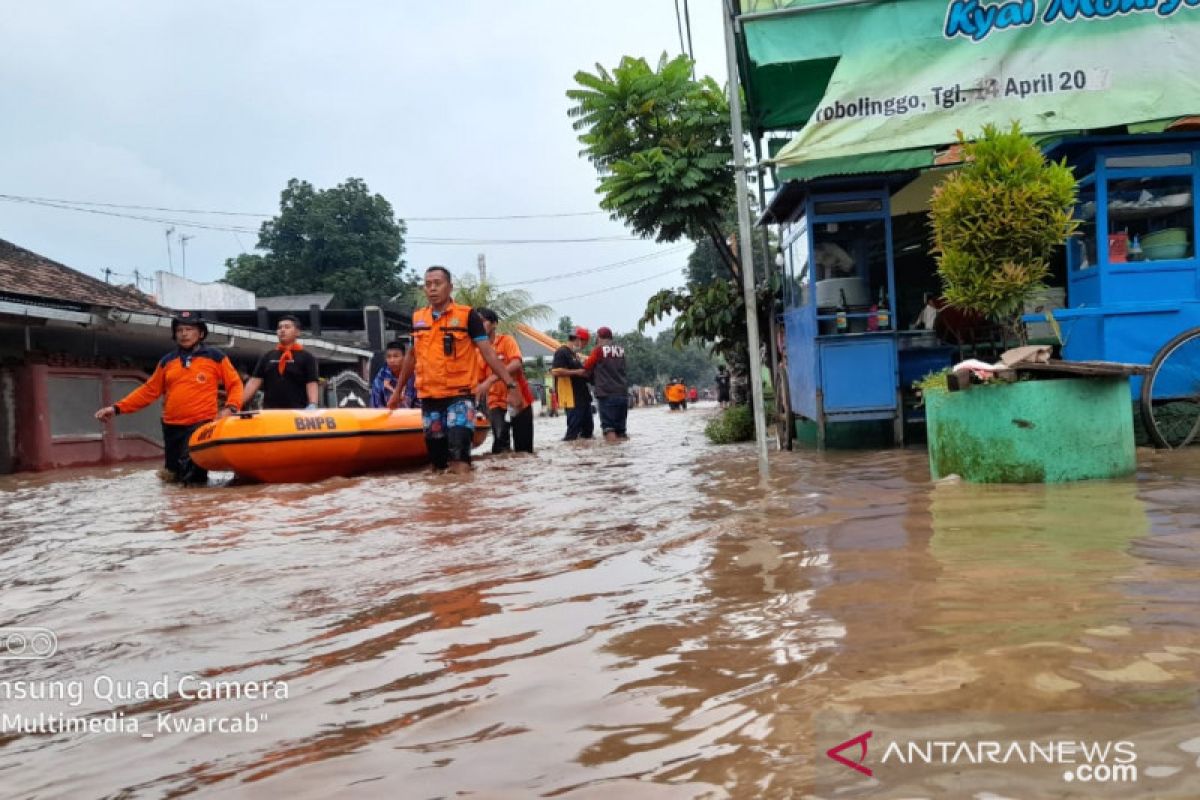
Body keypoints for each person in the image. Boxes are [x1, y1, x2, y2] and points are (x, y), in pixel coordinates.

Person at [386, 266, 522, 473]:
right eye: (428, 284)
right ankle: (444, 503)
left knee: (459, 460)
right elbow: (412, 357)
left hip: (460, 397)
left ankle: (464, 500)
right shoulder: (418, 319)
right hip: (430, 399)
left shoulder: (467, 316)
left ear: (450, 287)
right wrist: (397, 392)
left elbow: (488, 353)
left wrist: (510, 384)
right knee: (438, 464)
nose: (432, 288)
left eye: (437, 283)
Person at [93, 311, 243, 485]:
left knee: (192, 475)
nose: (184, 334)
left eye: (189, 329)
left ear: (200, 333)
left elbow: (235, 384)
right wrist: (116, 408)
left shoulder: (215, 357)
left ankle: (198, 509)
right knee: (172, 477)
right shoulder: (167, 361)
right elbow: (148, 391)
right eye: (180, 330)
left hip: (201, 424)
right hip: (171, 427)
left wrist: (230, 408)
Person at [473, 307, 535, 454]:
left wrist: (491, 380)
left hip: (520, 400)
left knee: (524, 450)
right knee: (500, 444)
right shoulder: (477, 351)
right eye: (477, 322)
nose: (479, 325)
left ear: (494, 324)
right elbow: (478, 380)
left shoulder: (507, 341)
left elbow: (516, 363)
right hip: (496, 403)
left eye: (483, 321)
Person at [242, 314, 319, 410]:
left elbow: (311, 382)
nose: (282, 330)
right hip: (271, 413)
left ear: (297, 332)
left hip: (297, 412)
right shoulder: (267, 356)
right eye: (279, 328)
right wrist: (237, 404)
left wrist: (313, 404)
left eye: (287, 327)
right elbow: (253, 382)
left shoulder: (307, 357)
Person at [582, 326, 628, 441]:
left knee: (609, 429)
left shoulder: (598, 351)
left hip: (606, 394)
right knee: (621, 431)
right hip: (622, 394)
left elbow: (587, 367)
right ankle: (624, 457)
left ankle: (612, 456)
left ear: (598, 337)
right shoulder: (621, 350)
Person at [550, 327, 594, 441]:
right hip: (572, 398)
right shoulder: (562, 352)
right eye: (584, 343)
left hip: (583, 397)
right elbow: (555, 371)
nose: (584, 346)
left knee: (588, 431)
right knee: (573, 431)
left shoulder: (575, 355)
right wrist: (577, 372)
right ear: (578, 340)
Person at [370, 340, 418, 409]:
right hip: (387, 416)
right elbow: (375, 406)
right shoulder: (381, 377)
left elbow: (420, 405)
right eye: (389, 357)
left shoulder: (414, 376)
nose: (392, 360)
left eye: (396, 356)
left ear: (405, 358)